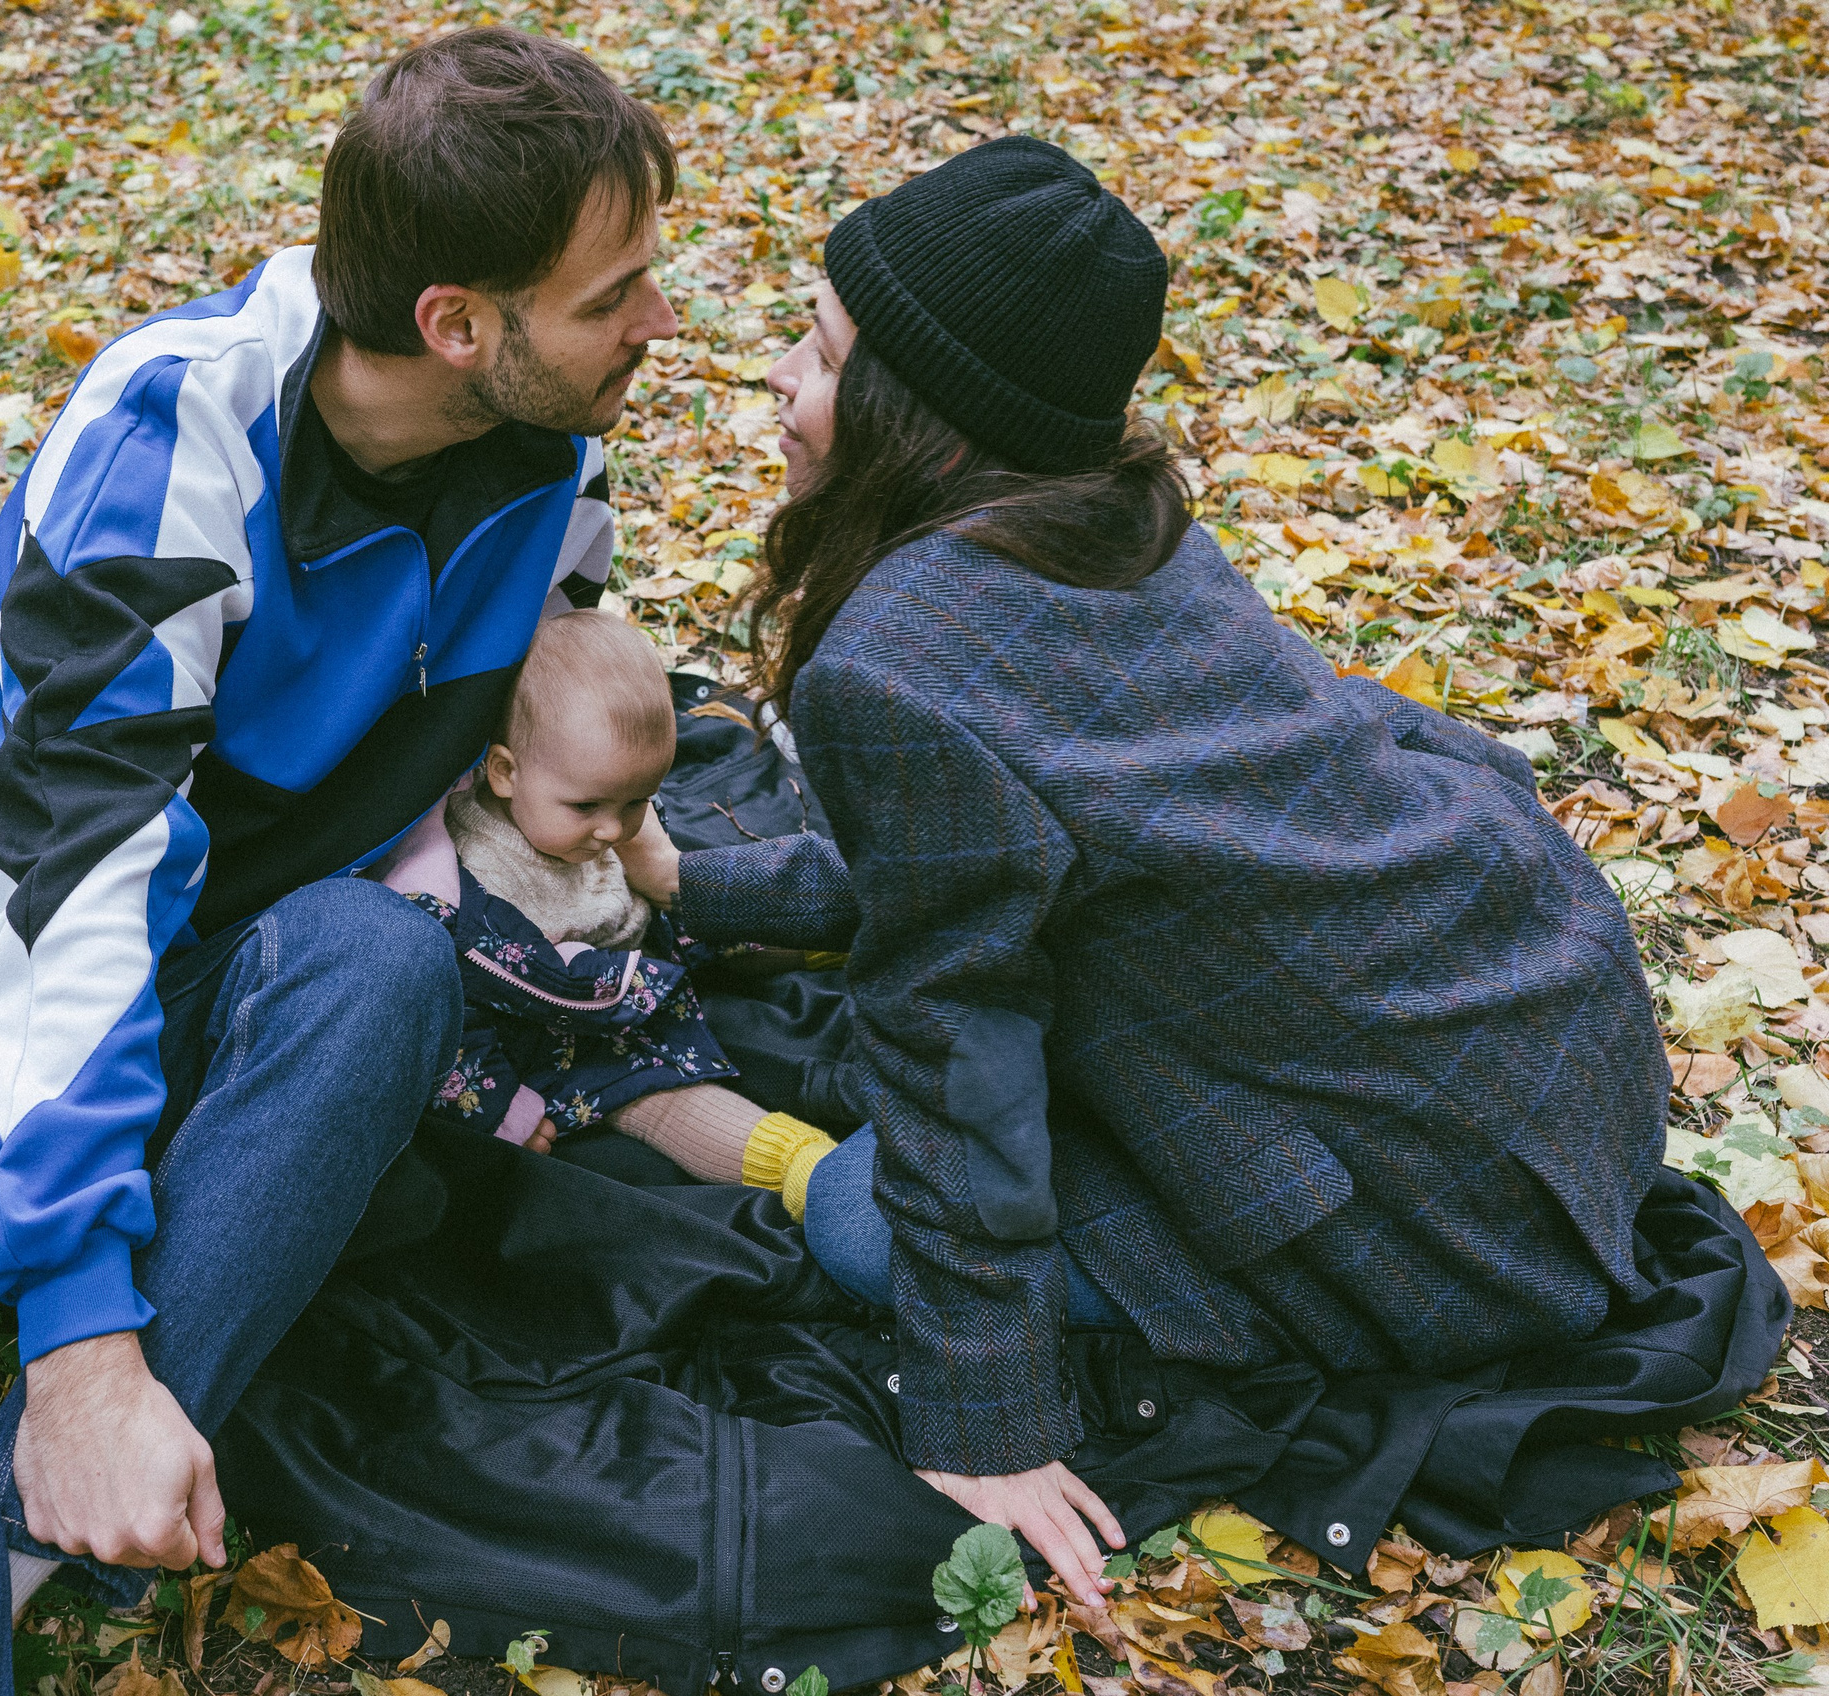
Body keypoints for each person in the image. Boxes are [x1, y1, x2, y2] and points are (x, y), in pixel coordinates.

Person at [0, 29, 679, 1696]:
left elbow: (556, 700)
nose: (660, 322)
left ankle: (14, 1534)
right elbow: (73, 884)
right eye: (616, 295)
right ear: (456, 324)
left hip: (256, 965)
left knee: (380, 966)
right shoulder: (176, 431)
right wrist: (80, 1337)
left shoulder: (555, 457)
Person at [614, 135, 1673, 1608]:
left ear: (929, 420)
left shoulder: (899, 663)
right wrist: (692, 885)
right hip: (1565, 1077)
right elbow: (993, 859)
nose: (782, 382)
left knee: (862, 1211)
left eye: (824, 354)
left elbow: (952, 1040)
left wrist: (986, 1422)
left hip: (1442, 1222)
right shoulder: (1114, 517)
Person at [378, 608, 836, 1189]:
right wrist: (500, 1110)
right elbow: (447, 1021)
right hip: (559, 1027)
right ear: (504, 772)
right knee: (656, 1093)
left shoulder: (576, 800)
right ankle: (809, 1172)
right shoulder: (463, 894)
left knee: (720, 921)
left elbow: (654, 870)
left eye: (636, 801)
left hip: (635, 943)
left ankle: (830, 938)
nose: (614, 830)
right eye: (588, 806)